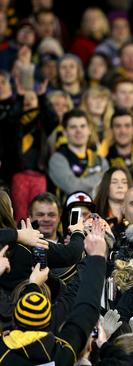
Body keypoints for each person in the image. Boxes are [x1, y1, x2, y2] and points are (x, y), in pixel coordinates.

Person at [0, 219, 108, 365]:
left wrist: (33, 285)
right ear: (50, 320)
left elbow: (86, 311)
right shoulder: (64, 352)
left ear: (13, 323)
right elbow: (85, 307)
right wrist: (97, 257)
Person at [48, 109, 108, 198]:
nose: (78, 130)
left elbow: (108, 185)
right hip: (67, 211)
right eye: (73, 127)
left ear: (89, 130)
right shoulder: (57, 159)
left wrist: (81, 182)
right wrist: (99, 181)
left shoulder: (100, 160)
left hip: (97, 211)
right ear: (65, 132)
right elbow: (73, 188)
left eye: (83, 126)